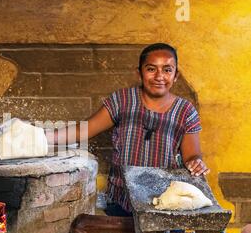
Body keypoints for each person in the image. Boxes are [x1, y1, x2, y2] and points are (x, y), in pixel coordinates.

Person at [46, 43, 210, 217]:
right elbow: (84, 130)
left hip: (165, 201)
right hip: (122, 199)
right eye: (151, 69)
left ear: (176, 75)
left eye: (167, 70)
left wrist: (195, 162)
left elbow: (192, 155)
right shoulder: (122, 100)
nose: (159, 76)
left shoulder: (185, 111)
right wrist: (43, 137)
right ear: (139, 72)